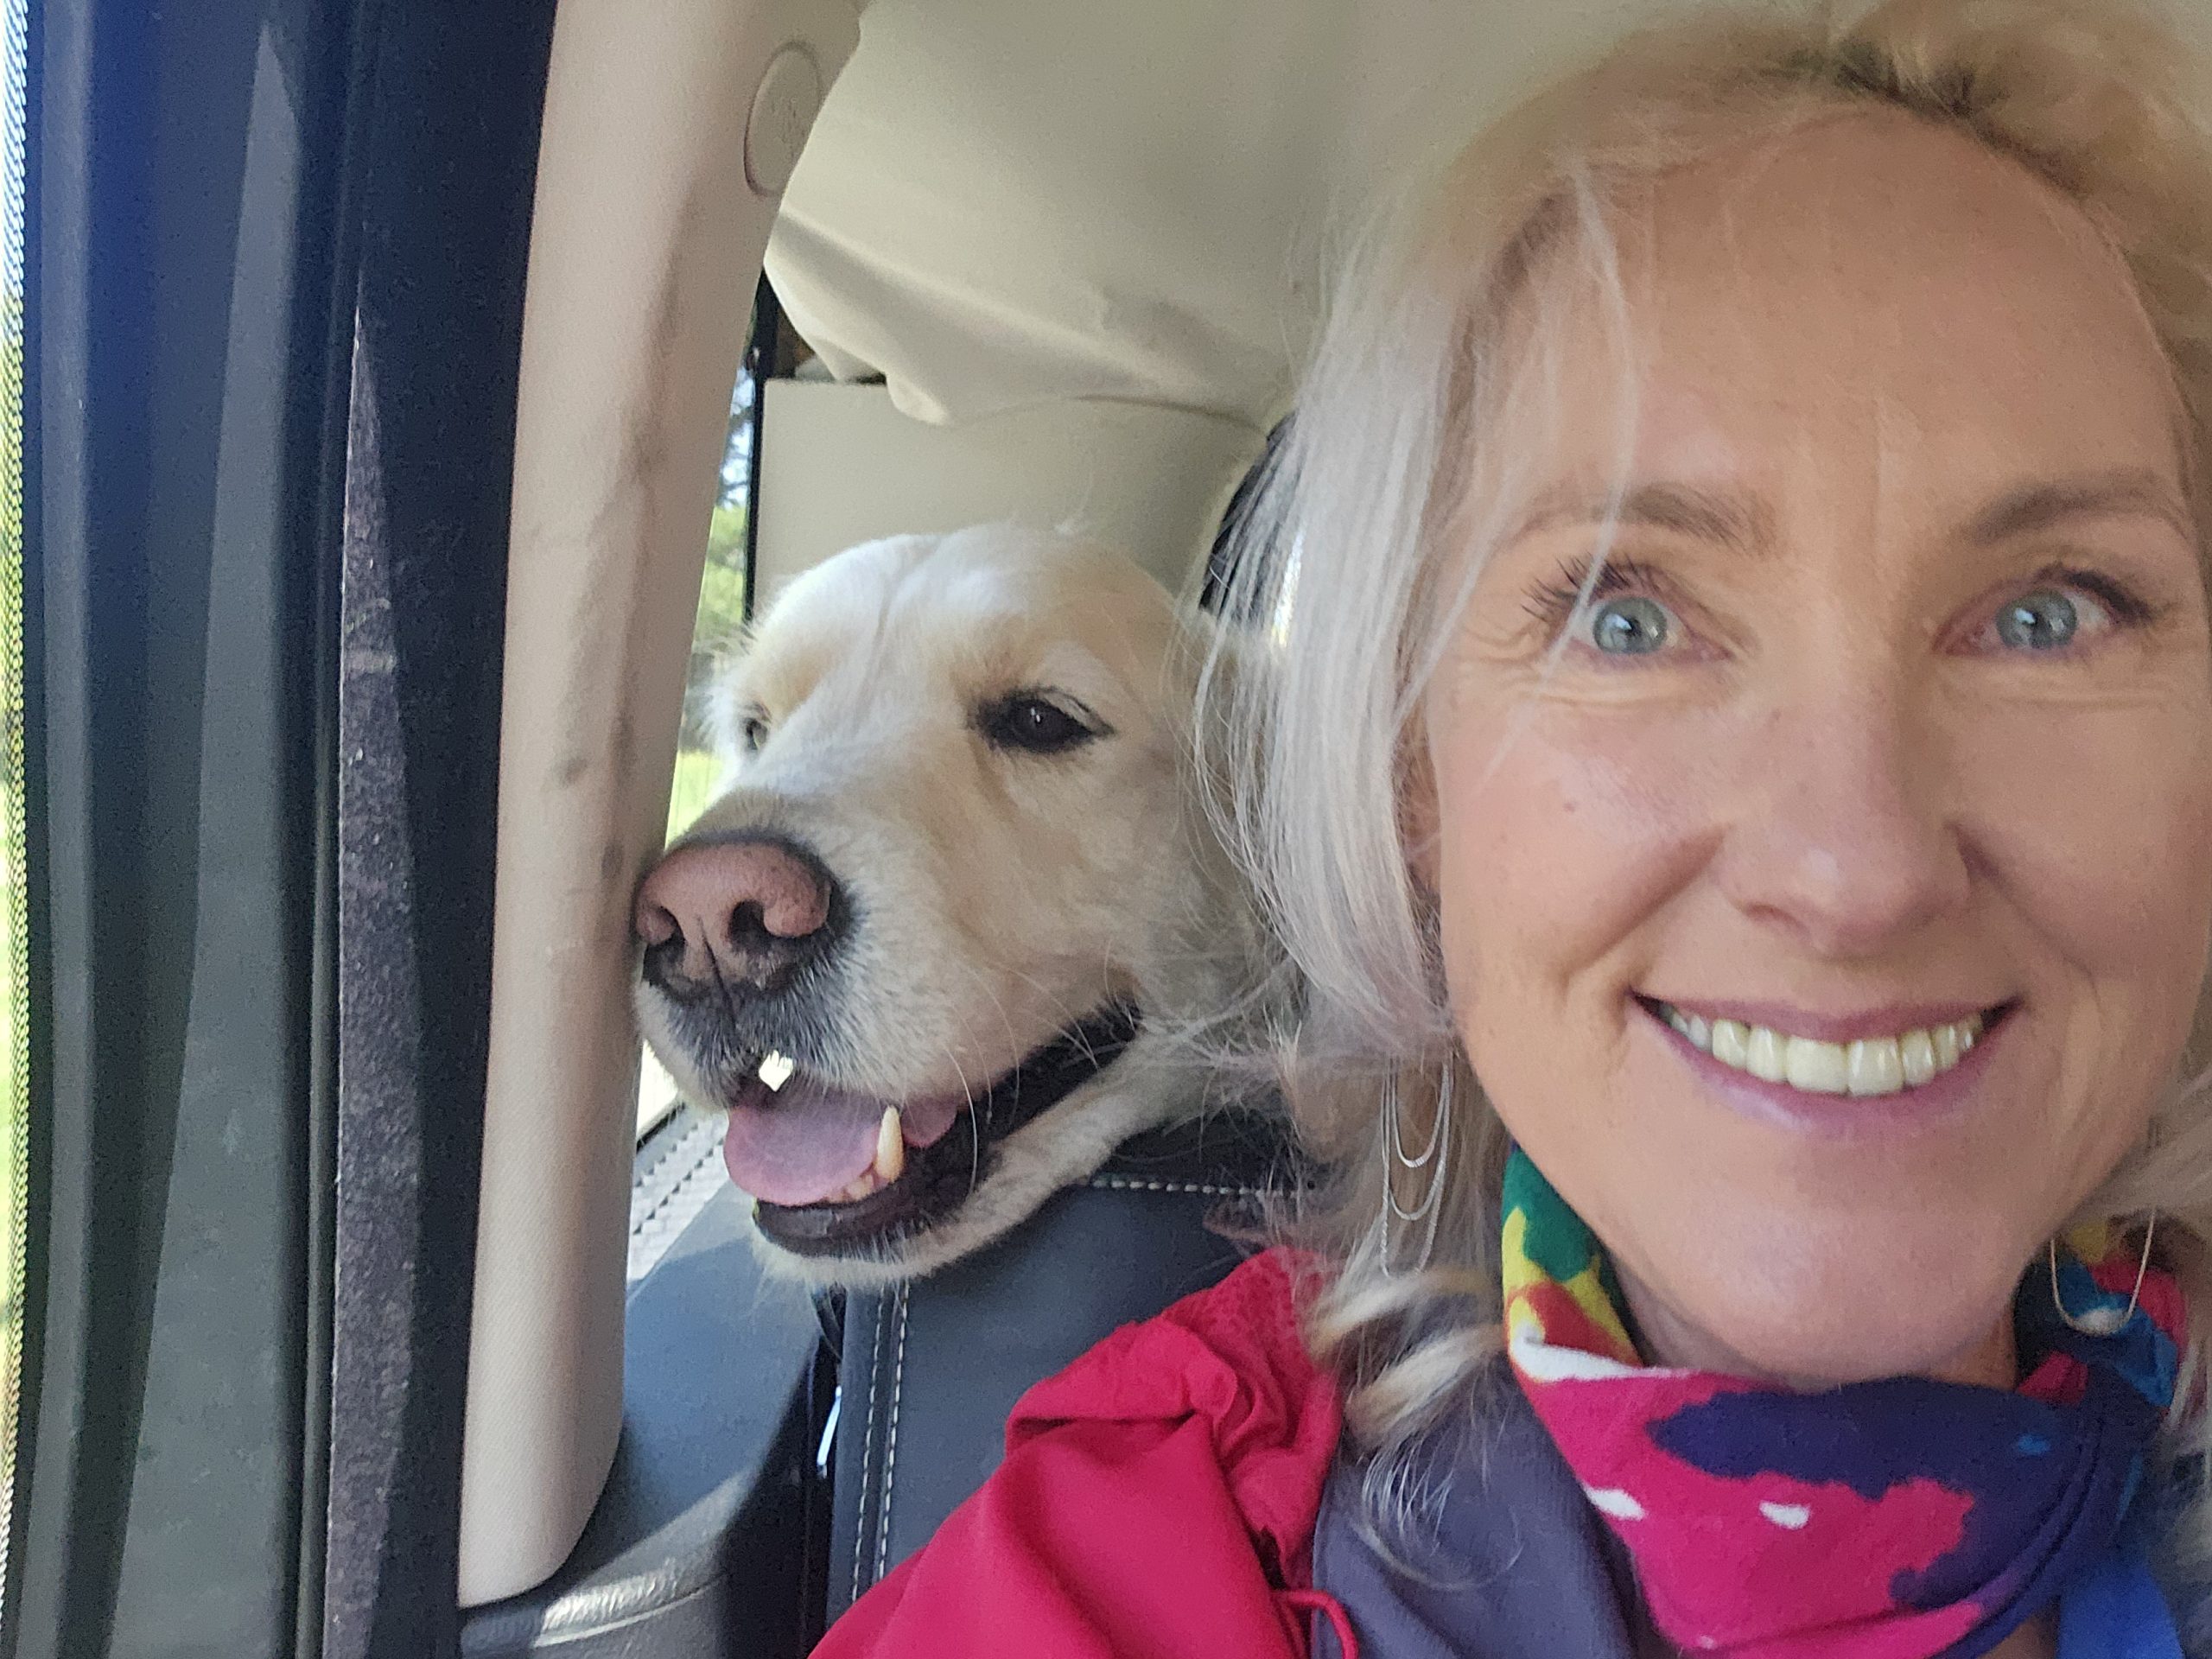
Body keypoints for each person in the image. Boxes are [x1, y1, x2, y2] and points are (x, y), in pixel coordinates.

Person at [812, 1, 2212, 1654]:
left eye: (2049, 614)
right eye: (1628, 616)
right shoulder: (1128, 1566)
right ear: (1411, 786)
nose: (1858, 869)